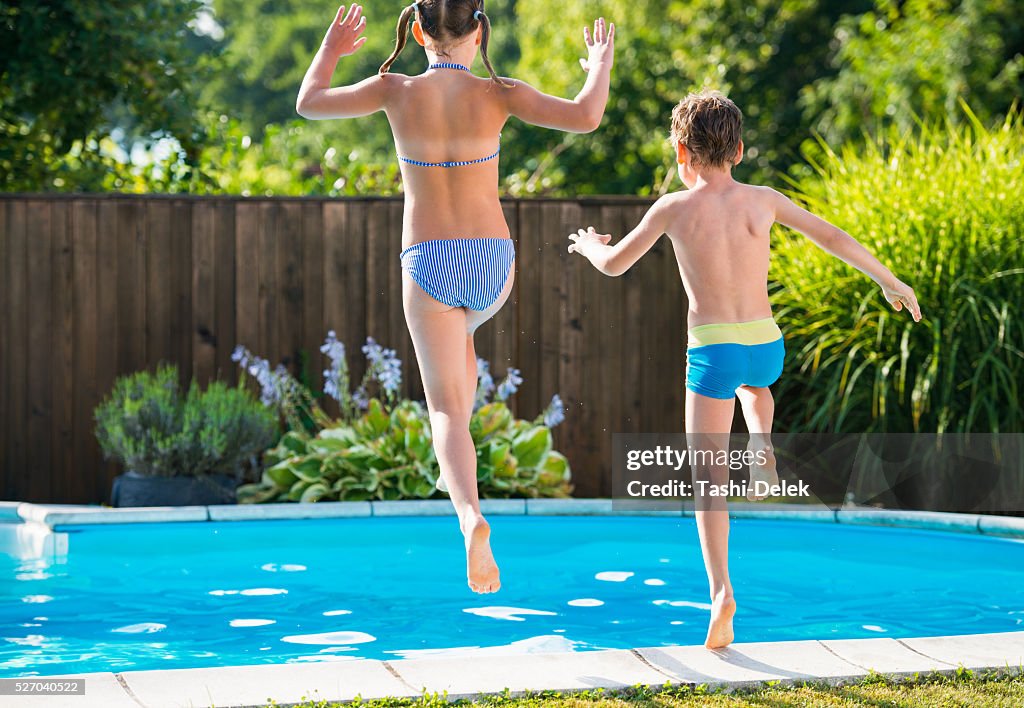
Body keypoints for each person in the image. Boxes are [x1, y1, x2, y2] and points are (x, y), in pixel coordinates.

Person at [567, 89, 920, 647]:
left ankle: (720, 593)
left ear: (681, 151)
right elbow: (832, 236)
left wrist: (589, 246)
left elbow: (613, 265)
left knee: (707, 481)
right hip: (764, 342)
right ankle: (761, 440)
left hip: (712, 350)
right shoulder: (764, 199)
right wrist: (887, 279)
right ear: (739, 149)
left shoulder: (672, 208)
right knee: (758, 388)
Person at [296, 2, 615, 594]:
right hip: (492, 263)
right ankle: (470, 502)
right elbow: (586, 116)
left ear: (416, 32)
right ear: (479, 30)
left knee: (445, 409)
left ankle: (469, 516)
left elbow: (308, 103)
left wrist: (334, 51)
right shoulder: (500, 93)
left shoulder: (394, 89)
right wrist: (598, 63)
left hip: (429, 264)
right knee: (462, 394)